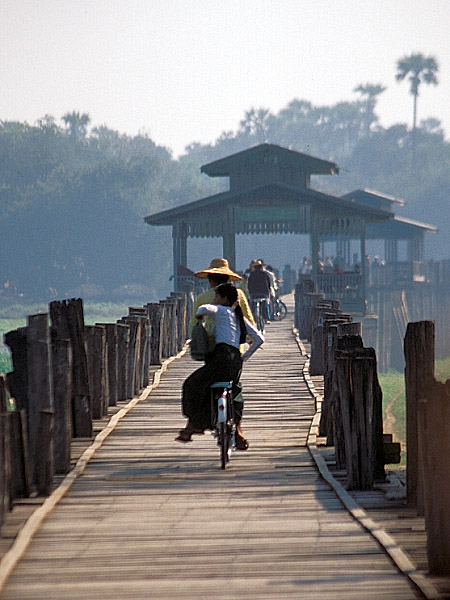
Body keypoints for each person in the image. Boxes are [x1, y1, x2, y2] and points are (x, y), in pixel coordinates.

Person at [177, 283, 264, 448]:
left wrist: (199, 317)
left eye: (217, 297)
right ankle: (237, 428)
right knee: (236, 391)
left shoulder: (222, 311)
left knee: (192, 384)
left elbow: (203, 309)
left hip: (220, 358)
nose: (215, 299)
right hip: (235, 362)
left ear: (224, 298)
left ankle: (194, 423)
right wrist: (244, 357)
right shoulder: (239, 317)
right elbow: (259, 339)